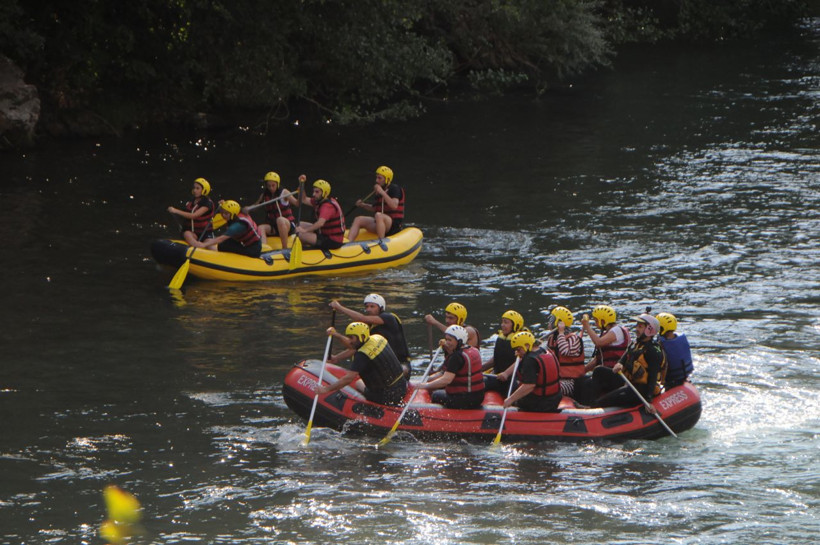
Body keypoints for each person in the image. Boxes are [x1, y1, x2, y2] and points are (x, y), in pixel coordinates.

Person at [588, 314, 667, 411]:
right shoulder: (636, 343)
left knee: (602, 402)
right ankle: (590, 403)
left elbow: (653, 377)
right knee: (598, 370)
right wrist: (620, 363)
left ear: (649, 330)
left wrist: (649, 401)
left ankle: (593, 407)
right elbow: (625, 356)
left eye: (640, 327)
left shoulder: (653, 351)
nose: (636, 329)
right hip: (629, 381)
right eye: (637, 326)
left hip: (641, 389)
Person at [318, 322, 408, 406]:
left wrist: (326, 389)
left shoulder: (361, 356)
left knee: (358, 383)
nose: (349, 341)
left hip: (386, 397)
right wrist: (336, 335)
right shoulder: (377, 338)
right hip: (402, 386)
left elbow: (348, 379)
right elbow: (354, 346)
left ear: (361, 337)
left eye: (351, 338)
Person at [329, 294, 411, 375]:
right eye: (367, 307)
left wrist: (339, 307)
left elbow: (361, 318)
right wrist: (337, 357)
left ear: (381, 308)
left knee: (401, 370)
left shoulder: (389, 318)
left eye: (372, 306)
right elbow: (355, 348)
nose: (368, 309)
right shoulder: (368, 329)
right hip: (384, 366)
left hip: (401, 363)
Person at [417, 325, 485, 409]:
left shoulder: (457, 357)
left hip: (463, 399)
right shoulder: (474, 350)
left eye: (450, 340)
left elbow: (446, 380)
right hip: (479, 397)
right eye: (446, 339)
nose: (447, 342)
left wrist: (425, 385)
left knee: (435, 395)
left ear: (459, 341)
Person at [574, 305, 631, 405]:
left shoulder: (616, 331)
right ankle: (580, 405)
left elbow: (598, 342)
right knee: (581, 380)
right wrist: (582, 371)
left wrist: (587, 326)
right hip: (609, 374)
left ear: (603, 321)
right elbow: (598, 359)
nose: (596, 323)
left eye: (596, 321)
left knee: (598, 371)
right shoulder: (607, 332)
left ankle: (591, 404)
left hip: (619, 375)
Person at [496, 330, 562, 413]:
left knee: (512, 387)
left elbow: (529, 385)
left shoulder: (530, 360)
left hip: (541, 403)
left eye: (518, 349)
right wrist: (506, 373)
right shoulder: (543, 350)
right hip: (555, 398)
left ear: (527, 345)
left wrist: (510, 400)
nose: (517, 352)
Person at [347, 165, 405, 241]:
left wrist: (382, 192)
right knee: (358, 219)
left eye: (379, 178)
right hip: (381, 222)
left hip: (393, 225)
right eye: (376, 177)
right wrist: (363, 205)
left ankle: (381, 242)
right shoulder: (380, 190)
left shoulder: (394, 189)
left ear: (387, 179)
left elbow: (394, 206)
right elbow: (375, 208)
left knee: (378, 215)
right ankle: (348, 243)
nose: (377, 180)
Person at [190, 200, 262, 258]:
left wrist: (204, 244)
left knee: (223, 245)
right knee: (223, 245)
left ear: (233, 214)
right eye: (222, 212)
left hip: (253, 249)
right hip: (245, 243)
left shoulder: (238, 226)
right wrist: (223, 204)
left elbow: (220, 238)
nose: (223, 215)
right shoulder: (236, 213)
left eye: (226, 214)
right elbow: (231, 207)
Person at [544, 306, 585, 397]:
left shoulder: (573, 339)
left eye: (552, 319)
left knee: (551, 388)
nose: (549, 322)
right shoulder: (552, 338)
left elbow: (564, 351)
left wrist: (561, 332)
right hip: (556, 379)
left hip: (571, 381)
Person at [482, 310, 525, 393]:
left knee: (514, 389)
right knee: (479, 385)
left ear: (515, 325)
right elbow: (496, 358)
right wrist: (481, 368)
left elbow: (520, 360)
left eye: (506, 323)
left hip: (513, 378)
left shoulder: (520, 341)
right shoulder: (500, 338)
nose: (502, 325)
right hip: (497, 376)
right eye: (502, 322)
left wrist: (506, 373)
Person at [295, 179, 345, 250]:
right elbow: (304, 199)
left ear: (325, 193)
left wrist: (305, 231)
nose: (313, 194)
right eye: (314, 191)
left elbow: (320, 223)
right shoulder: (319, 201)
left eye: (317, 192)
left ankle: (305, 249)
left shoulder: (327, 206)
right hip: (323, 233)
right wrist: (301, 184)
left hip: (332, 240)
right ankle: (304, 247)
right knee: (299, 224)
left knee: (301, 234)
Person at [252, 171, 298, 248]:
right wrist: (247, 208)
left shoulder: (284, 192)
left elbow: (297, 204)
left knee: (280, 220)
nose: (271, 188)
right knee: (261, 228)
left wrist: (301, 193)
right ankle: (264, 249)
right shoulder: (264, 195)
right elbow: (255, 207)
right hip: (274, 226)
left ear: (278, 184)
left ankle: (284, 248)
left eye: (273, 185)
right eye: (269, 186)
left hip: (287, 225)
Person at [167, 177, 216, 245]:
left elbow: (194, 215)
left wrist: (175, 210)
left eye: (197, 188)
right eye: (194, 188)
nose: (195, 190)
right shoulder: (191, 201)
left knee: (212, 247)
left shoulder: (207, 203)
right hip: (192, 232)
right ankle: (196, 245)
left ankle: (200, 247)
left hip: (205, 233)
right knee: (187, 234)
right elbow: (185, 213)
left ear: (204, 190)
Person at [656, 312, 694, 388]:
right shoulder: (680, 339)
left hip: (670, 380)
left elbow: (663, 364)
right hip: (683, 376)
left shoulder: (662, 344)